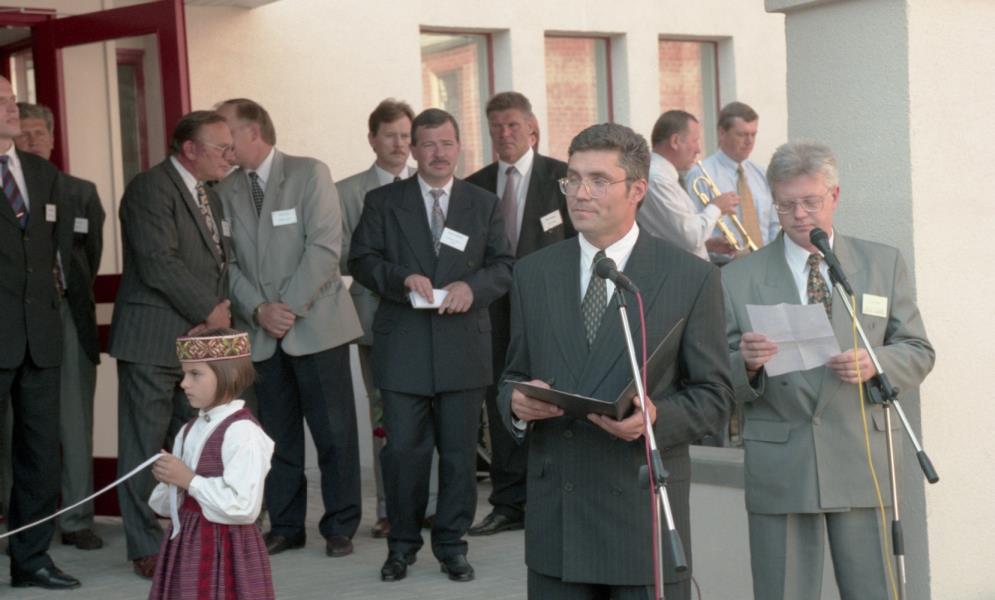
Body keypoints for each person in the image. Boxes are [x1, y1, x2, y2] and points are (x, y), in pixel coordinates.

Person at [498, 122, 734, 599]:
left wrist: (656, 418)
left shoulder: (689, 277)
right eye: (573, 179)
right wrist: (516, 404)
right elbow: (513, 376)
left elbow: (715, 396)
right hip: (558, 517)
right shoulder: (533, 273)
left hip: (640, 515)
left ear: (637, 190)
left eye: (599, 180)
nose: (581, 193)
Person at [722, 141, 935, 600]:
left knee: (875, 591)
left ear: (834, 196)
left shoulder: (881, 264)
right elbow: (714, 371)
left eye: (810, 201)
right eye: (786, 204)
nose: (799, 215)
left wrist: (875, 362)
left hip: (863, 456)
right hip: (782, 461)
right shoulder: (737, 276)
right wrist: (746, 363)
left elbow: (918, 350)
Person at [349, 108, 514, 583]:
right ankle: (401, 547)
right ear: (414, 150)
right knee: (404, 455)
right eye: (428, 144)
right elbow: (361, 260)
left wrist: (472, 289)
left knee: (460, 458)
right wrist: (401, 278)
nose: (438, 153)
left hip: (463, 349)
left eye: (446, 143)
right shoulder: (383, 201)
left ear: (458, 147)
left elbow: (504, 265)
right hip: (404, 349)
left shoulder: (483, 203)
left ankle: (452, 546)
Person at [214, 98, 363, 558]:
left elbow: (325, 248)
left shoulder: (309, 173)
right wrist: (259, 309)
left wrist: (287, 308)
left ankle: (339, 526)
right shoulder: (224, 190)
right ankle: (286, 526)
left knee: (334, 432)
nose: (222, 144)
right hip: (261, 333)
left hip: (316, 327)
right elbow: (227, 263)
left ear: (253, 131)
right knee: (275, 437)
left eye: (228, 133)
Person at [109, 110, 233, 578]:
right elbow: (158, 261)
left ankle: (190, 536)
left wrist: (213, 320)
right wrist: (208, 310)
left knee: (197, 441)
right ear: (190, 148)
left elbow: (215, 263)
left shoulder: (210, 195)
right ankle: (145, 545)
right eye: (221, 148)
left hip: (198, 343)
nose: (230, 156)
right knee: (144, 445)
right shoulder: (150, 188)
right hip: (152, 339)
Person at [464, 91, 574, 536]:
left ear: (532, 128)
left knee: (553, 397)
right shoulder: (474, 185)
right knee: (502, 401)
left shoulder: (563, 178)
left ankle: (554, 496)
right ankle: (509, 501)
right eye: (496, 127)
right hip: (492, 314)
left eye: (512, 125)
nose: (504, 133)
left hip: (551, 309)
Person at [337, 98, 438, 540]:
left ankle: (430, 505)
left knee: (431, 412)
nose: (399, 144)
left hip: (429, 316)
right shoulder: (347, 192)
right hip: (375, 316)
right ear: (372, 139)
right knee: (386, 416)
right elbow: (340, 254)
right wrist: (392, 264)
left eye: (405, 136)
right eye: (390, 135)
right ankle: (388, 508)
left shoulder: (432, 185)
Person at [0, 76, 81, 590]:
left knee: (40, 454)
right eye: (2, 102)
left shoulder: (42, 173)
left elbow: (54, 253)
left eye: (11, 99)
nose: (13, 108)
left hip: (40, 339)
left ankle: (31, 560)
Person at [13, 102, 105, 551]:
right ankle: (18, 521)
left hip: (67, 313)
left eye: (40, 133)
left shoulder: (80, 192)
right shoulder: (7, 187)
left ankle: (77, 518)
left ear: (52, 138)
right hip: (16, 317)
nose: (33, 140)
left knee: (74, 420)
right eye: (24, 133)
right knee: (15, 423)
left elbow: (90, 257)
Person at [148, 328, 275, 600]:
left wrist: (189, 480)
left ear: (230, 375)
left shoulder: (243, 432)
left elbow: (244, 507)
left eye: (195, 374)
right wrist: (170, 479)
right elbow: (165, 507)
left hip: (228, 548)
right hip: (187, 545)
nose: (184, 383)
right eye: (184, 374)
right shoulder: (188, 430)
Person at [637, 109, 739, 260]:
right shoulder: (658, 179)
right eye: (695, 140)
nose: (698, 149)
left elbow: (674, 237)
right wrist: (716, 207)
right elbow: (691, 237)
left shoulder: (663, 176)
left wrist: (707, 245)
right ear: (675, 141)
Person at [685, 101, 780, 258]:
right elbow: (692, 230)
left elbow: (774, 224)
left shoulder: (762, 174)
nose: (749, 141)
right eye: (742, 135)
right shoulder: (700, 175)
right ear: (722, 133)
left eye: (753, 134)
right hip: (722, 264)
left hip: (764, 263)